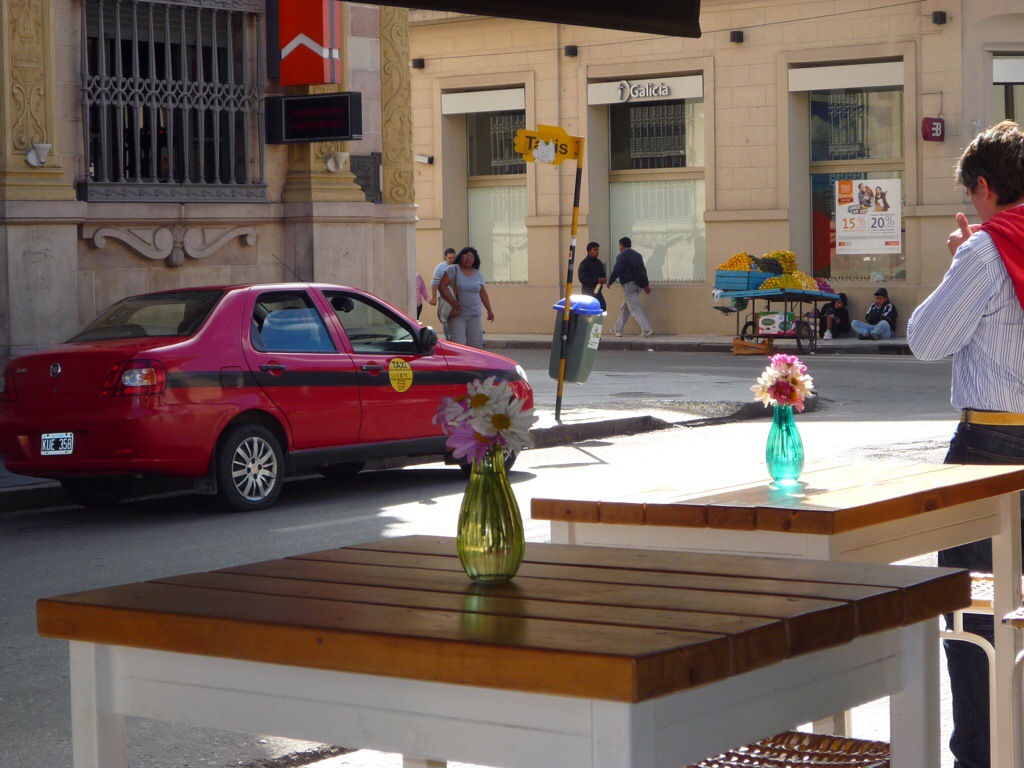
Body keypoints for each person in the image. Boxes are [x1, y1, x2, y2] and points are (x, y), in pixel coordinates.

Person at [907, 119, 1024, 768]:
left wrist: (963, 258)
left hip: (991, 450)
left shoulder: (984, 251)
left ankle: (980, 756)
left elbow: (927, 340)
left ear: (984, 187)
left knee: (971, 613)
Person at [437, 246, 494, 349]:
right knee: (458, 346)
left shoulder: (478, 274)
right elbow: (441, 286)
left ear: (475, 260)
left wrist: (489, 310)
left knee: (476, 345)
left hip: (474, 314)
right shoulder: (453, 269)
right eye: (466, 255)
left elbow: (483, 293)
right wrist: (452, 301)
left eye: (471, 257)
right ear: (460, 257)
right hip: (457, 315)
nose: (468, 258)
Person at [607, 236, 653, 337]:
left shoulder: (622, 256)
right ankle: (618, 329)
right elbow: (643, 270)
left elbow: (617, 270)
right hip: (638, 285)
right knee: (626, 307)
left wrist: (609, 281)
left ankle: (647, 329)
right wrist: (646, 285)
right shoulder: (638, 255)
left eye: (619, 245)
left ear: (621, 245)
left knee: (634, 308)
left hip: (628, 285)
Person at [430, 248, 457, 338]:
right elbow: (434, 283)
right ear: (445, 257)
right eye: (450, 258)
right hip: (444, 297)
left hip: (456, 296)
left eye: (454, 257)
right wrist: (434, 297)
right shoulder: (440, 268)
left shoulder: (457, 266)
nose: (452, 260)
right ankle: (448, 337)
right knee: (446, 316)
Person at [577, 241, 607, 311]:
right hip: (588, 292)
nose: (597, 252)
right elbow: (582, 279)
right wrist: (596, 280)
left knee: (603, 308)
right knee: (588, 311)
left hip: (598, 292)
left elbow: (602, 274)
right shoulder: (584, 264)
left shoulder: (599, 263)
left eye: (597, 250)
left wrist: (603, 279)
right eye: (594, 250)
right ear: (589, 251)